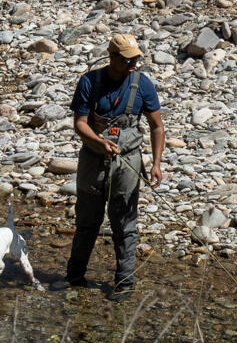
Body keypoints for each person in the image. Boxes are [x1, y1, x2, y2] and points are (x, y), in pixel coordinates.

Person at [63, 33, 166, 293]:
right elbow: (80, 124)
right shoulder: (89, 81)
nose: (132, 65)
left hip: (128, 162)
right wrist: (98, 143)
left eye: (135, 60)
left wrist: (156, 164)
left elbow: (157, 126)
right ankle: (74, 279)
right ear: (112, 56)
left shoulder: (143, 84)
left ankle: (124, 283)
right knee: (87, 223)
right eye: (127, 60)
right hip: (92, 161)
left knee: (125, 225)